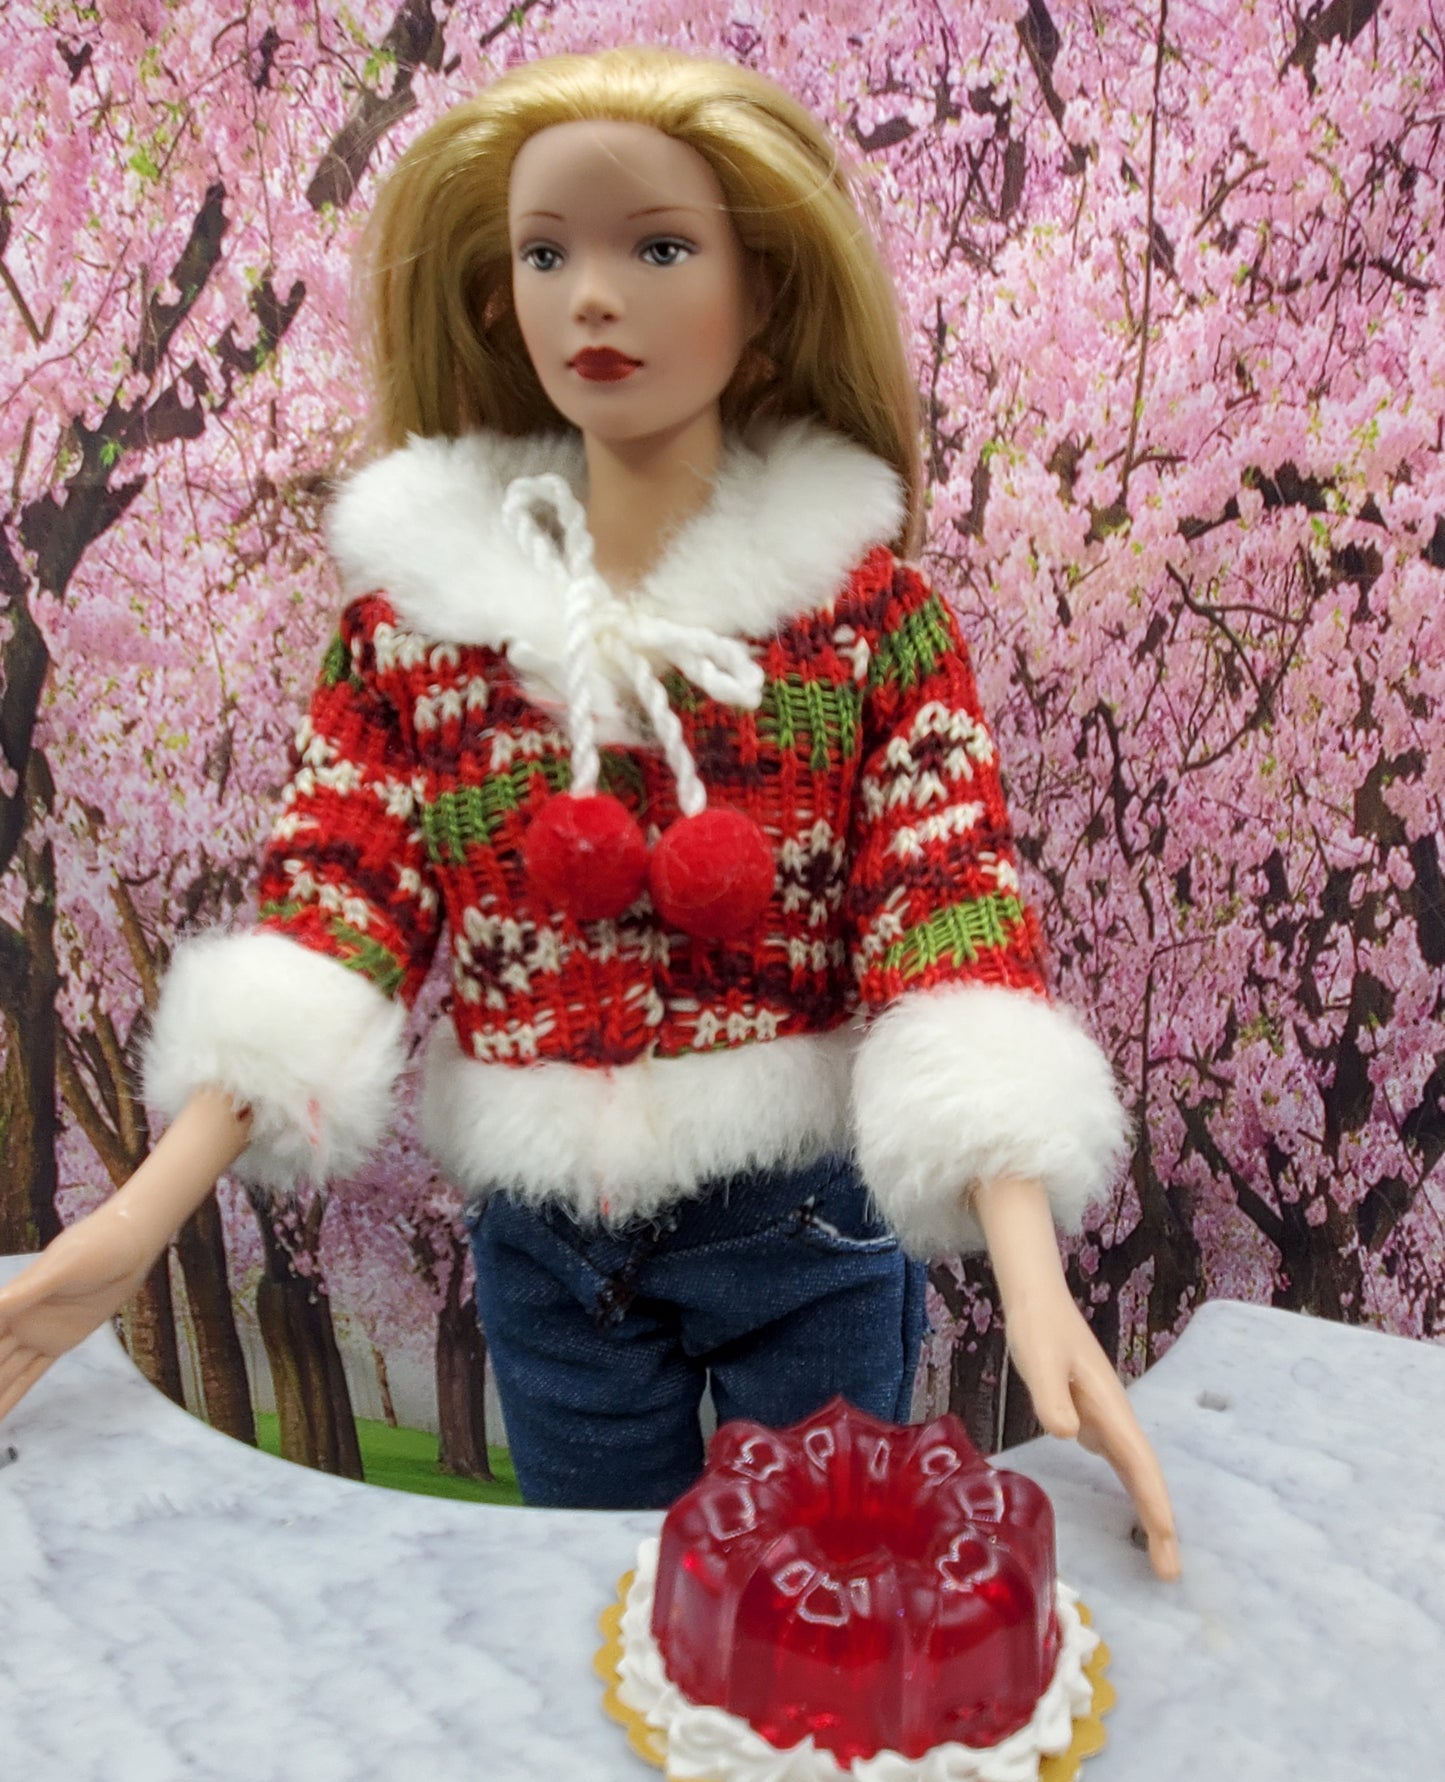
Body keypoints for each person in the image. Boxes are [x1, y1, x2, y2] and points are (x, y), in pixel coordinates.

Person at [0, 47, 1179, 1576]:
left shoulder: (865, 622)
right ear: (499, 299)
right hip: (543, 1240)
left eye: (659, 248)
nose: (592, 297)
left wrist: (1030, 1277)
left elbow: (943, 916)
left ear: (765, 300)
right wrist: (126, 1232)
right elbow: (342, 909)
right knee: (589, 1607)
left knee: (813, 1598)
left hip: (796, 1227)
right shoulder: (417, 631)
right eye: (546, 253)